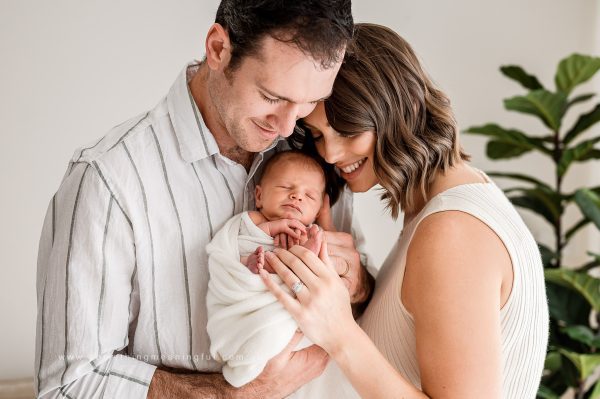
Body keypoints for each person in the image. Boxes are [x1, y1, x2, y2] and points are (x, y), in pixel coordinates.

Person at [34, 2, 376, 398]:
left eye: (308, 102)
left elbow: (362, 299)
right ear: (218, 49)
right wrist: (235, 394)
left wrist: (358, 285)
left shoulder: (316, 152)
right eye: (271, 96)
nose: (286, 125)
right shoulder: (108, 181)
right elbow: (69, 385)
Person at [261, 23, 549, 398]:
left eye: (347, 131)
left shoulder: (454, 232)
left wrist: (338, 331)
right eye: (318, 135)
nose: (329, 154)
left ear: (402, 107)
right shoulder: (446, 210)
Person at [206, 150, 328, 388]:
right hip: (245, 285)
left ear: (317, 211)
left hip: (277, 304)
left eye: (309, 196)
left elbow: (317, 280)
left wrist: (309, 246)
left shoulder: (308, 233)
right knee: (253, 261)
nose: (296, 196)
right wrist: (274, 228)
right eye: (285, 187)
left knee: (301, 283)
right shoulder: (252, 219)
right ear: (259, 195)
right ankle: (256, 266)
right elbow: (234, 246)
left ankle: (256, 357)